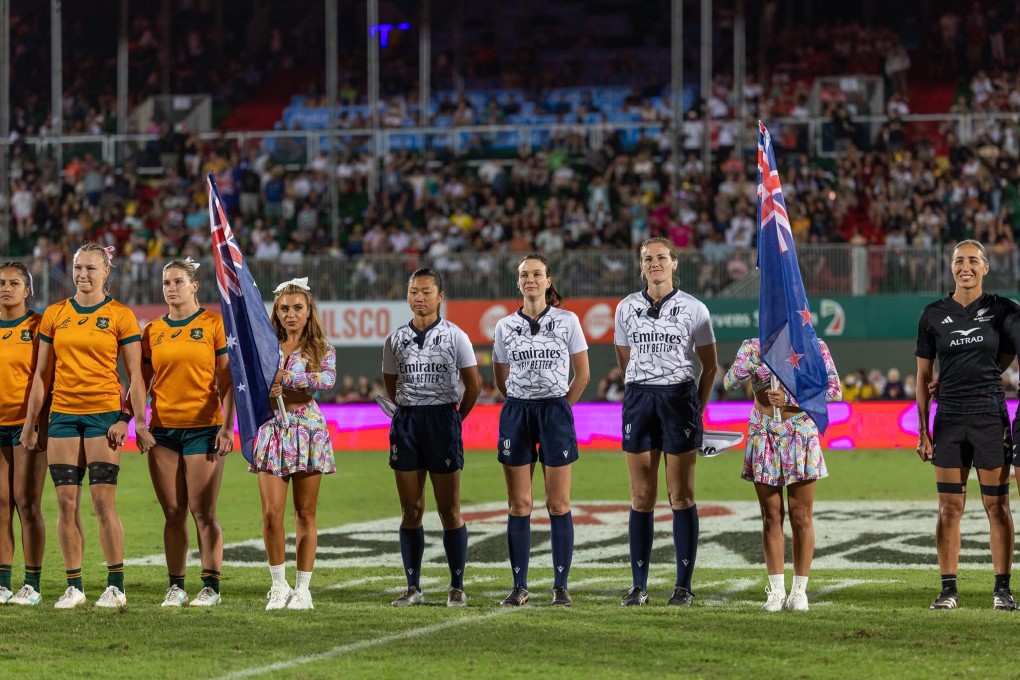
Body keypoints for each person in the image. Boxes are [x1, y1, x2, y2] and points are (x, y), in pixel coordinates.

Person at [22, 243, 154, 609]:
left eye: (91, 269)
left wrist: (133, 420)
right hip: (62, 416)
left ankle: (116, 586)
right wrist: (33, 421)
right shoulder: (54, 314)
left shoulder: (120, 316)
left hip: (103, 416)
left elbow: (136, 378)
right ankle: (74, 586)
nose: (82, 275)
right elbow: (41, 376)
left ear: (106, 272)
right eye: (78, 267)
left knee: (101, 503)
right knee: (65, 504)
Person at [615, 236, 717, 607]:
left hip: (678, 400)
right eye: (647, 258)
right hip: (639, 399)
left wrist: (696, 409)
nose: (654, 263)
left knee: (681, 495)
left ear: (675, 263)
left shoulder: (694, 309)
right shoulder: (625, 308)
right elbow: (623, 360)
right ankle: (638, 586)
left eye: (661, 257)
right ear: (640, 265)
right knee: (641, 496)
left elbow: (710, 365)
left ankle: (683, 587)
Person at [916, 239, 1018, 611]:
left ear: (986, 268)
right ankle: (948, 590)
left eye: (974, 261)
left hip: (990, 416)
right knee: (949, 508)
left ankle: (1002, 590)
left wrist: (988, 372)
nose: (966, 267)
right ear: (951, 267)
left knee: (997, 506)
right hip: (950, 420)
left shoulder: (1002, 310)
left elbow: (1007, 354)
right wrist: (923, 430)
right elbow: (922, 376)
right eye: (959, 261)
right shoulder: (932, 314)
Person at [492, 253, 589, 607]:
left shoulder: (568, 321)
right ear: (518, 282)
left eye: (536, 274)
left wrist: (561, 408)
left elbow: (582, 375)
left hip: (554, 412)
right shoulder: (504, 326)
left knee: (557, 503)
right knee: (519, 504)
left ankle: (560, 586)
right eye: (524, 275)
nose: (530, 279)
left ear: (548, 281)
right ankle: (519, 586)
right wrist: (522, 401)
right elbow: (500, 379)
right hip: (517, 413)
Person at [382, 268, 481, 607]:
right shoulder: (394, 339)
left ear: (440, 297)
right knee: (411, 510)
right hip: (408, 423)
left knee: (449, 510)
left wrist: (454, 418)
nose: (418, 298)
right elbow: (391, 385)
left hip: (442, 420)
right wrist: (408, 411)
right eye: (413, 292)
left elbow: (474, 386)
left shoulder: (456, 337)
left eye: (425, 291)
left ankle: (457, 586)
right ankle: (413, 587)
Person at [140, 258, 235, 607]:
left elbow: (228, 382)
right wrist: (136, 420)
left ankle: (210, 587)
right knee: (173, 513)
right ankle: (176, 586)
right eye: (166, 282)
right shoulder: (152, 331)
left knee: (203, 512)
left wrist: (227, 426)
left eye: (178, 281)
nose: (171, 288)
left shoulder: (212, 324)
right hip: (162, 431)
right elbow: (141, 382)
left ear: (194, 286)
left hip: (204, 429)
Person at [723, 337, 841, 611]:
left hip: (800, 431)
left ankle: (799, 591)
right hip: (763, 431)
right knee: (771, 515)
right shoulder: (752, 346)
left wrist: (791, 398)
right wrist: (756, 361)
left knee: (801, 516)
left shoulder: (813, 345)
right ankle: (776, 591)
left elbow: (835, 390)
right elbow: (729, 383)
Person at [251, 277, 336, 611]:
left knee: (305, 513)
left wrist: (285, 378)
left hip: (307, 431)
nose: (290, 314)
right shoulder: (263, 347)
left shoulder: (322, 349)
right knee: (271, 514)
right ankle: (278, 585)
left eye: (297, 308)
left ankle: (303, 589)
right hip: (271, 430)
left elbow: (325, 380)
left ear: (308, 310)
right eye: (284, 308)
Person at [0, 262, 47, 606]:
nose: (6, 288)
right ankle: (3, 582)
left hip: (27, 425)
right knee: (1, 505)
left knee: (26, 503)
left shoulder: (39, 325)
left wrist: (34, 423)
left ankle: (31, 583)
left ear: (27, 290)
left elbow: (46, 376)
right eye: (2, 283)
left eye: (14, 283)